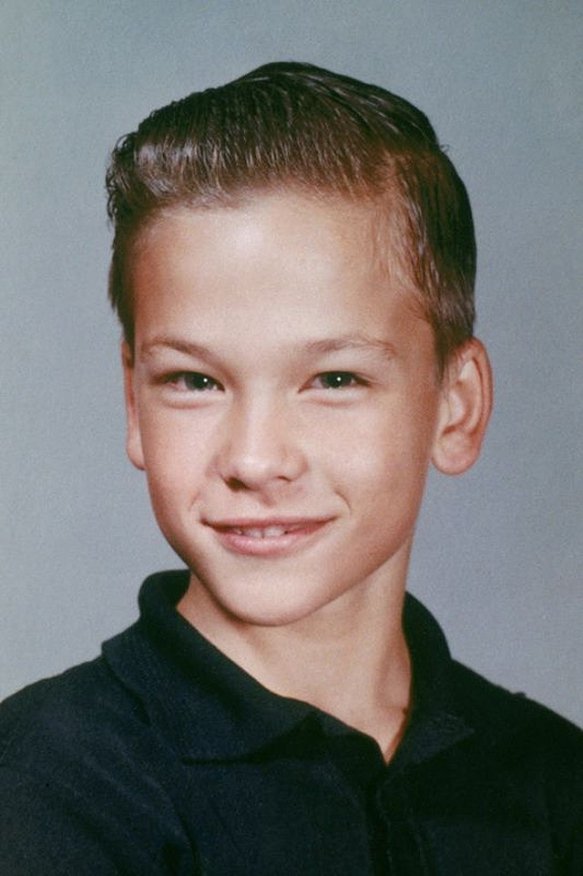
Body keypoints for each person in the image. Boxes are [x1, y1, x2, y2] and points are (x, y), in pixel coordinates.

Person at [0, 62, 581, 875]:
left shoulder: (553, 782)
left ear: (455, 408)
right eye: (194, 381)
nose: (255, 459)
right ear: (134, 404)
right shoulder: (42, 786)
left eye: (334, 380)